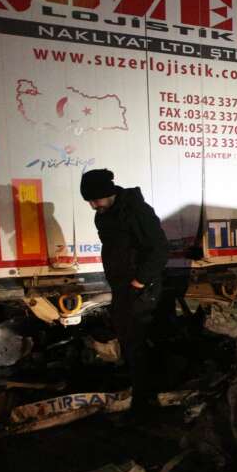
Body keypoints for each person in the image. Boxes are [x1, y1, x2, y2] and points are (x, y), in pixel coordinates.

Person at [80, 168, 168, 417]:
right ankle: (142, 396)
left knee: (138, 344)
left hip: (140, 288)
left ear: (107, 193)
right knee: (130, 343)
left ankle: (144, 405)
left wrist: (139, 282)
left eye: (95, 199)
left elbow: (159, 249)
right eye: (89, 201)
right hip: (122, 287)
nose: (92, 206)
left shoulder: (137, 211)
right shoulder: (104, 214)